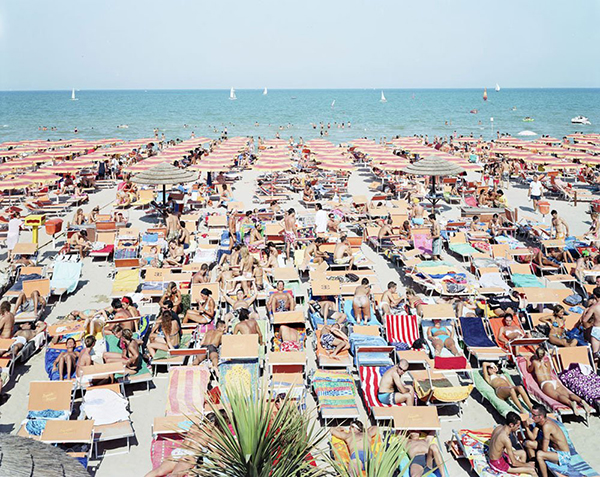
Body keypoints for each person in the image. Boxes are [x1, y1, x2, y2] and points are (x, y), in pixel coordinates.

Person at [528, 347, 592, 418]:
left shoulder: (535, 362)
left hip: (545, 384)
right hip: (554, 382)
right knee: (568, 394)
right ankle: (581, 401)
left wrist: (528, 362)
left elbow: (529, 370)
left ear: (536, 355)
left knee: (558, 396)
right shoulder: (548, 362)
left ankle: (570, 403)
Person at [523, 405, 572, 477]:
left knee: (540, 454)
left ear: (541, 416)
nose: (531, 417)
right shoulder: (539, 422)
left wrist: (539, 443)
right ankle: (535, 466)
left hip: (563, 456)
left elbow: (544, 449)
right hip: (552, 449)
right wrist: (526, 427)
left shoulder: (547, 426)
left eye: (534, 415)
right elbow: (533, 437)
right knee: (528, 443)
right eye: (531, 414)